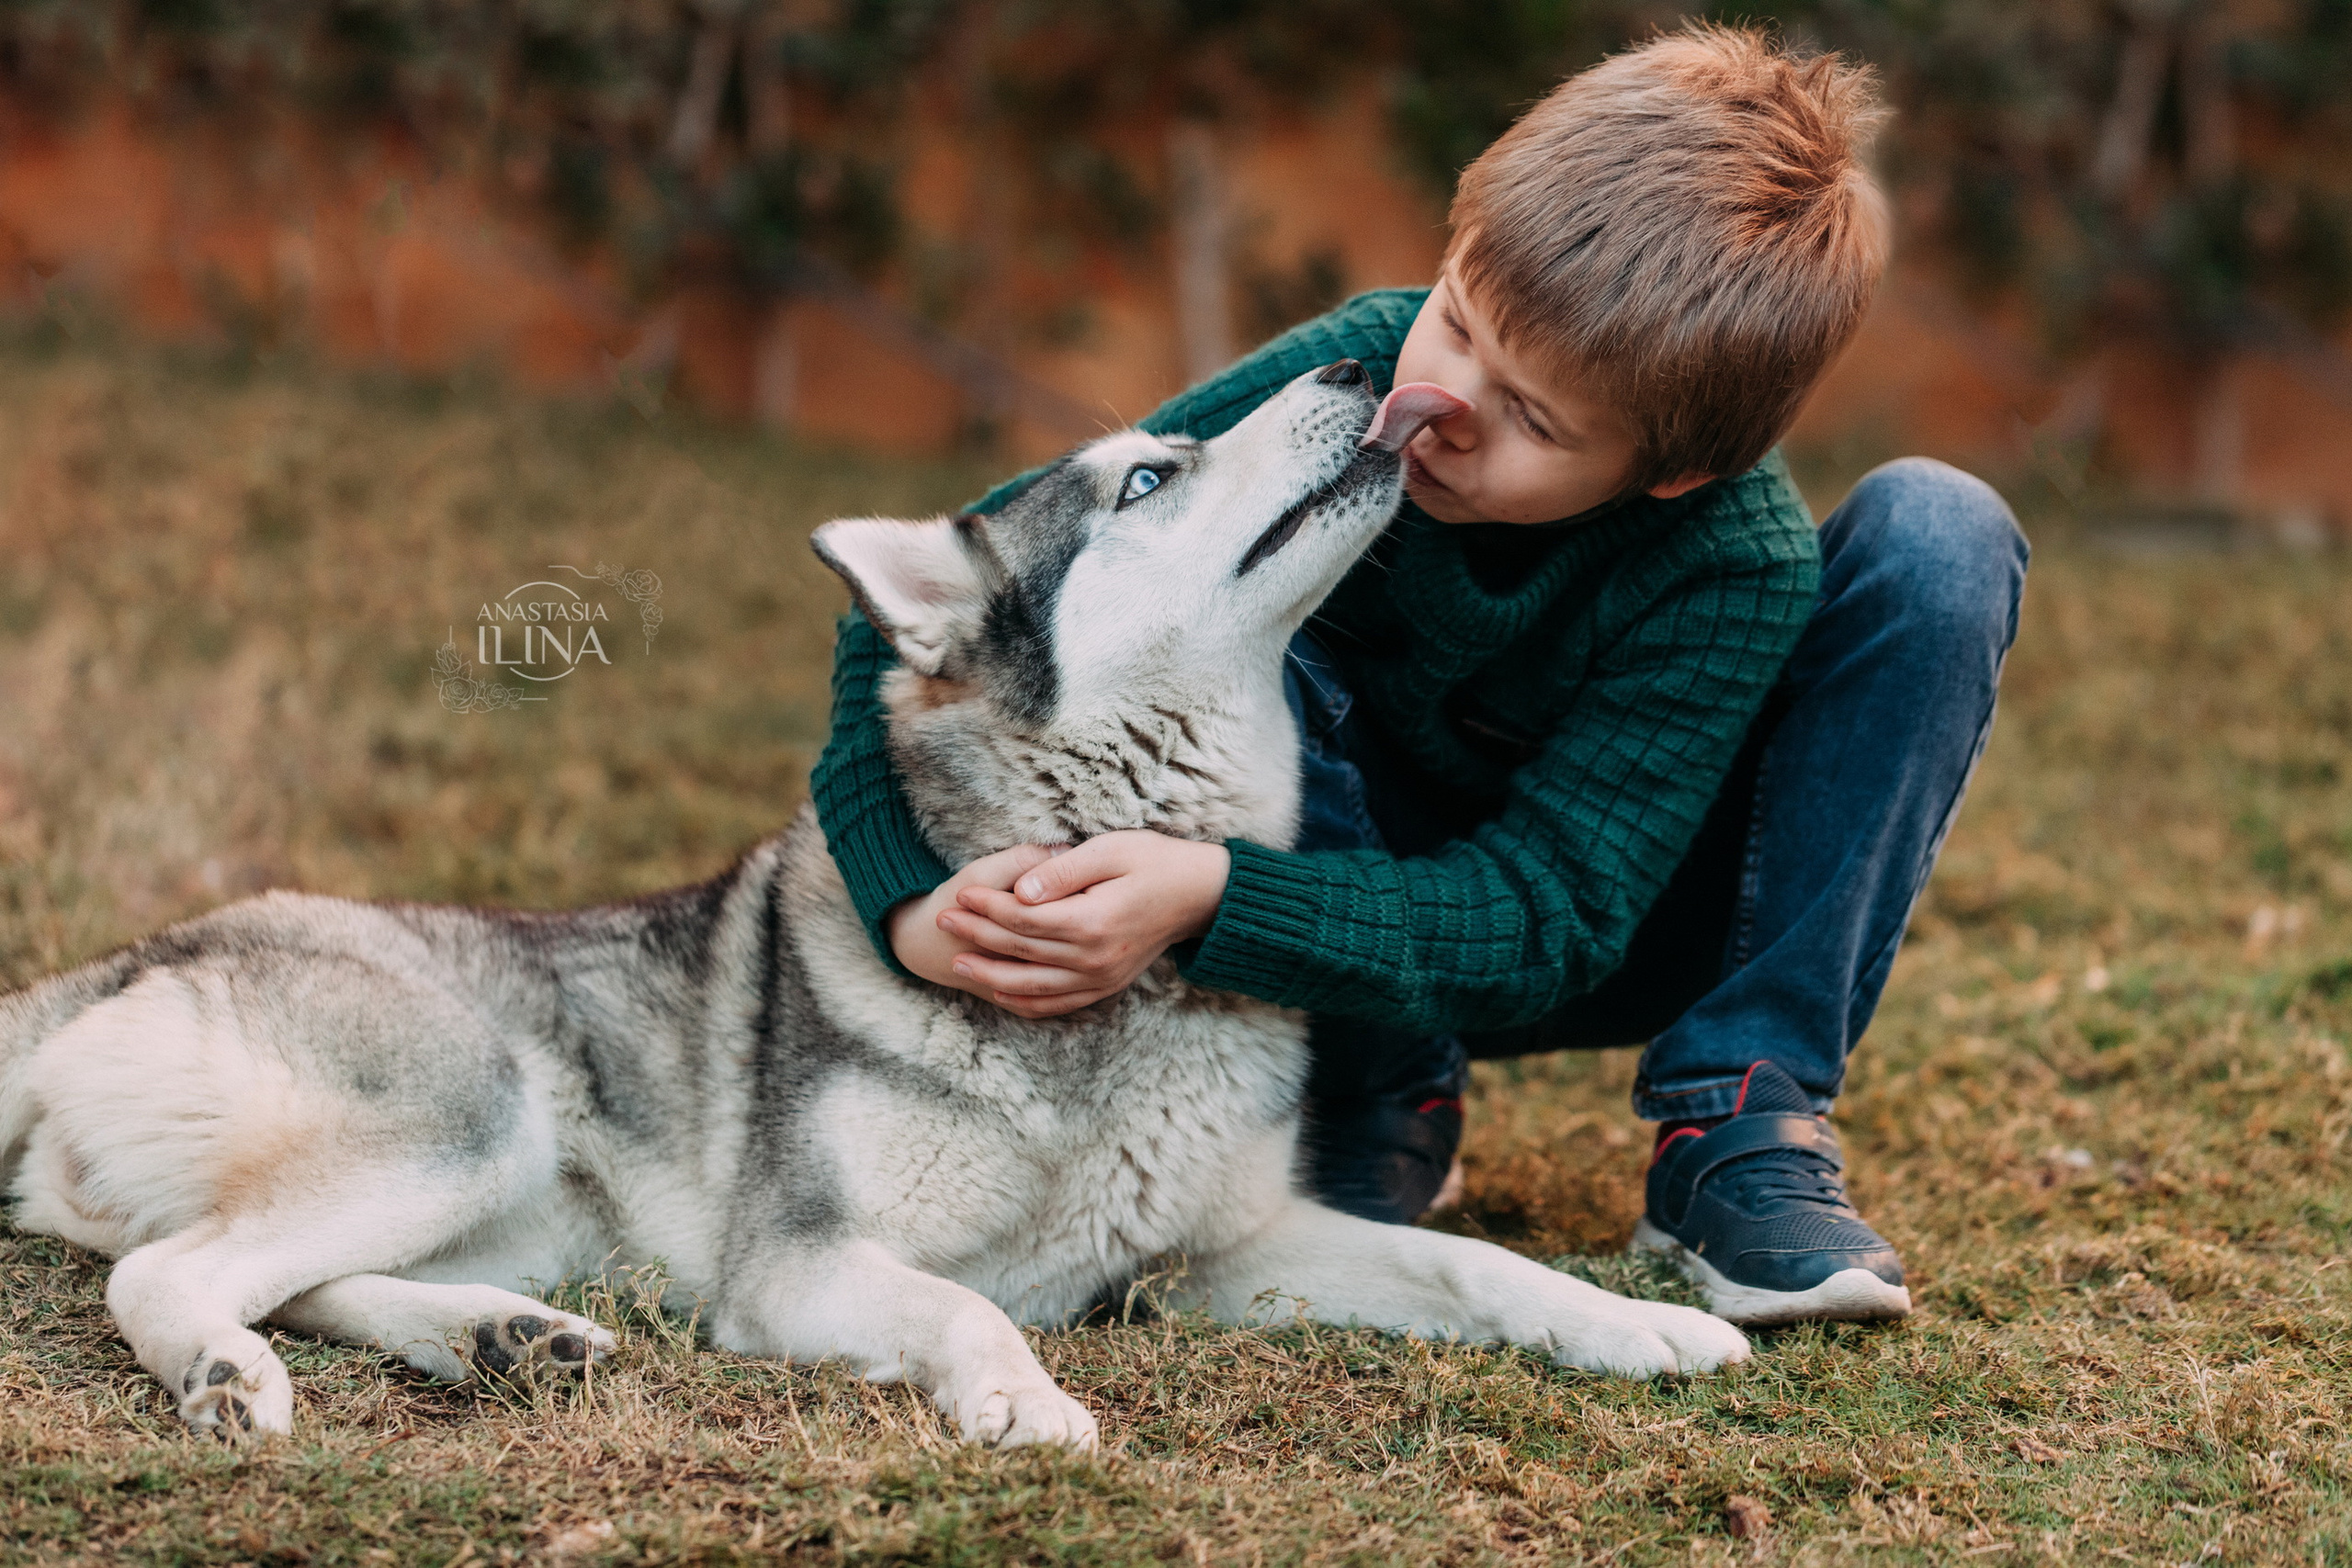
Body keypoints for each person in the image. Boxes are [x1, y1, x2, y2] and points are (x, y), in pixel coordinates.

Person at [809, 24, 2028, 1326]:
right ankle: (1386, 1086)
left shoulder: (1730, 561)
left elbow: (1551, 912)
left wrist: (1215, 895)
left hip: (1576, 923)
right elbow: (944, 598)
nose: (1441, 403)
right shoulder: (1356, 372)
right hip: (1311, 905)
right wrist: (910, 910)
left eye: (1534, 418)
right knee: (1263, 620)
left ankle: (1739, 1125)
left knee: (1942, 535)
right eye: (1456, 318)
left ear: (1673, 471)